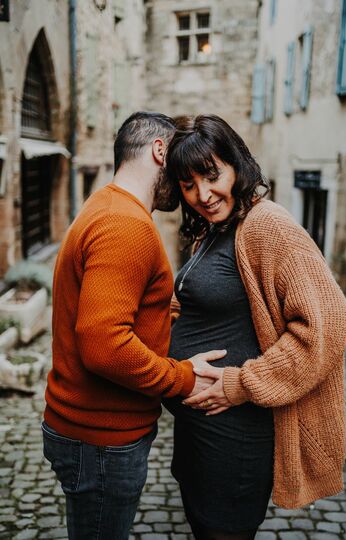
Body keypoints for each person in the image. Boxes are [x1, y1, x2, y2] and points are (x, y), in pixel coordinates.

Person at [163, 114, 346, 540]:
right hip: (200, 436)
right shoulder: (216, 229)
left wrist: (243, 383)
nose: (202, 194)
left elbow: (330, 322)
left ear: (236, 164)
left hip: (236, 439)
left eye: (211, 176)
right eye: (188, 184)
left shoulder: (267, 225)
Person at [42, 111, 226, 540]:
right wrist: (182, 379)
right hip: (102, 439)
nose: (185, 184)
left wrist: (166, 307)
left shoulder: (105, 205)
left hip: (90, 434)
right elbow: (104, 344)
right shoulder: (126, 224)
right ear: (160, 151)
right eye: (179, 164)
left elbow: (115, 310)